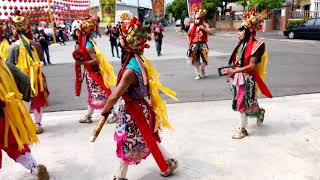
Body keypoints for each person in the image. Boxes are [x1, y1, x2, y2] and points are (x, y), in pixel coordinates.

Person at [101, 16, 178, 180]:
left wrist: (106, 108)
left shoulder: (130, 70)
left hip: (133, 111)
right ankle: (168, 161)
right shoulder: (138, 60)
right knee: (147, 136)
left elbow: (115, 95)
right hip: (140, 106)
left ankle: (120, 176)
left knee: (127, 142)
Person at [0, 43, 49, 180]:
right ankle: (34, 168)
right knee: (15, 145)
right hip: (7, 114)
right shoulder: (4, 65)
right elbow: (26, 82)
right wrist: (24, 107)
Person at [223, 8, 272, 139]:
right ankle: (259, 112)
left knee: (241, 103)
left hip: (247, 78)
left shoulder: (256, 45)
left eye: (241, 30)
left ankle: (243, 128)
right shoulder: (241, 44)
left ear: (248, 30)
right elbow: (237, 62)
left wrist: (234, 70)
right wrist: (231, 71)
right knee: (247, 104)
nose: (238, 33)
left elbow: (251, 66)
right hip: (238, 77)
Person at [6, 10, 50, 134]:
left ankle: (26, 124)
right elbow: (41, 59)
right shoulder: (35, 44)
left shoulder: (13, 46)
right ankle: (37, 124)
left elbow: (9, 64)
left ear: (14, 29)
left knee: (24, 100)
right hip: (36, 77)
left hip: (21, 77)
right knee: (37, 100)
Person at [73, 16, 118, 124]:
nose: (75, 33)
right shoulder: (85, 43)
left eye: (76, 31)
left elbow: (96, 61)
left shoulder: (88, 45)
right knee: (94, 95)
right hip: (90, 74)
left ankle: (114, 114)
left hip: (94, 74)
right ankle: (88, 115)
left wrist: (82, 63)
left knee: (102, 94)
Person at [188, 8, 213, 80]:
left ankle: (202, 69)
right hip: (194, 44)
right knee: (195, 60)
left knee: (205, 60)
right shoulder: (192, 25)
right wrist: (189, 43)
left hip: (203, 44)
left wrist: (204, 29)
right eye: (195, 18)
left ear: (201, 18)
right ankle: (197, 74)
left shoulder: (205, 24)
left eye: (198, 18)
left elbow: (211, 33)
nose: (196, 20)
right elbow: (189, 34)